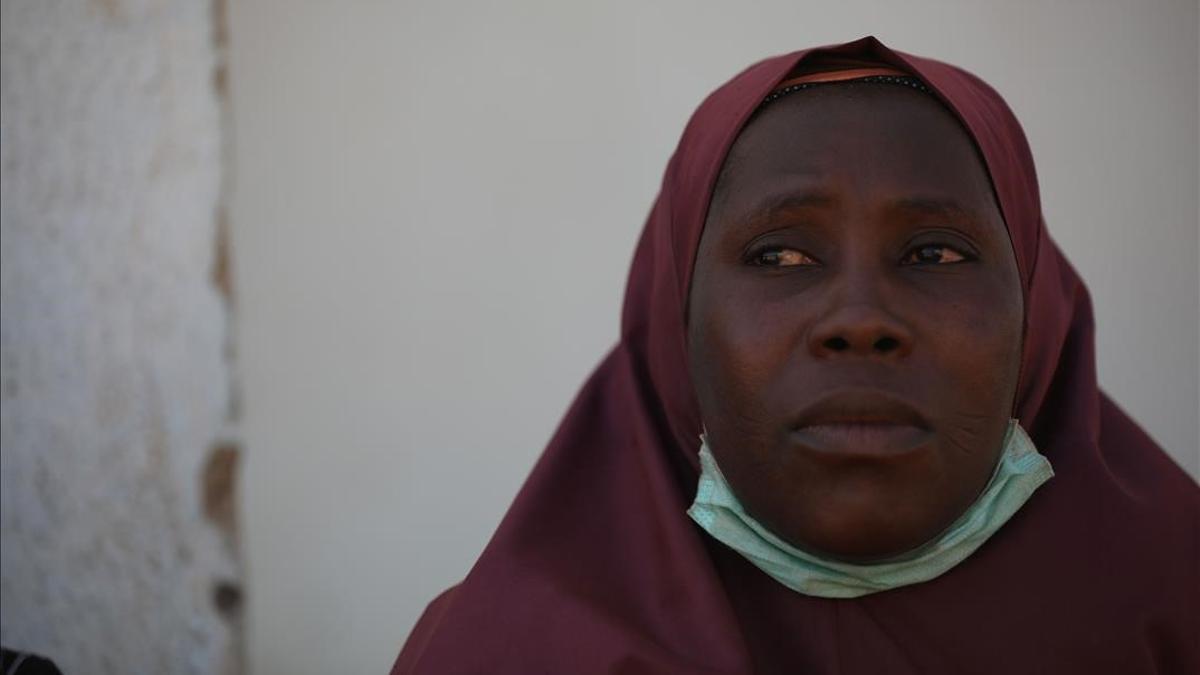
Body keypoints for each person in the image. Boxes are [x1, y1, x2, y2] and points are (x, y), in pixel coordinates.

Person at [390, 36, 1199, 674]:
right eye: (780, 256)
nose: (859, 320)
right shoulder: (501, 654)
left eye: (936, 255)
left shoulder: (1176, 612)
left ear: (1038, 314)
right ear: (675, 326)